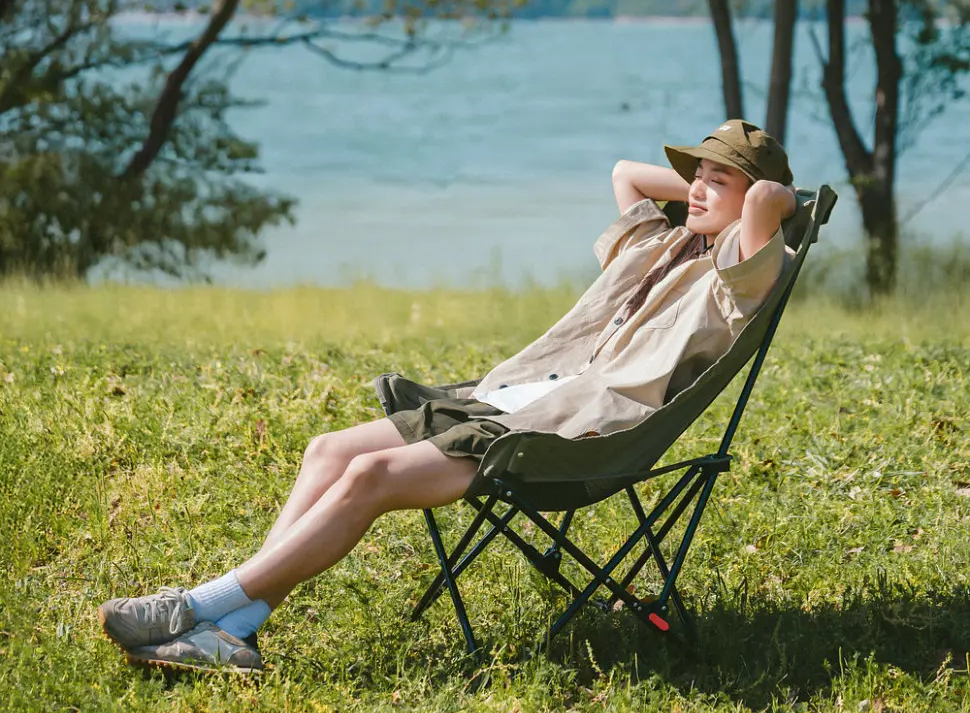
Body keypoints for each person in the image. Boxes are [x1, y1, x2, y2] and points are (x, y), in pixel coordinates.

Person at [98, 119, 799, 672]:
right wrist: (708, 190)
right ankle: (237, 624)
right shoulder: (661, 246)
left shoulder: (738, 276)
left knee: (370, 475)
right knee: (327, 450)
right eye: (696, 177)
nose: (698, 189)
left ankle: (200, 607)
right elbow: (626, 174)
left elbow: (770, 203)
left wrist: (763, 198)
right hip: (509, 399)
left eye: (719, 180)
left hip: (564, 436)